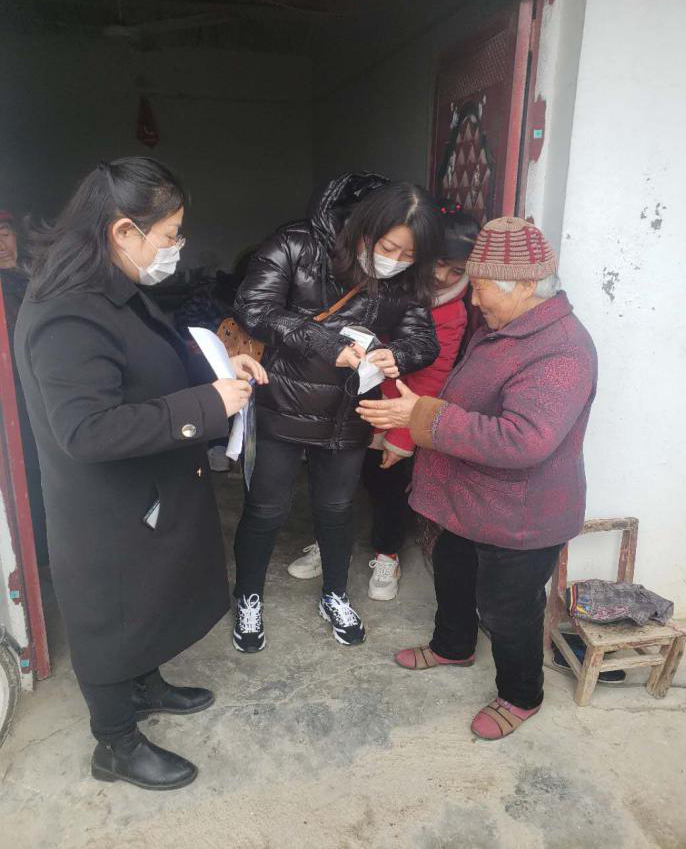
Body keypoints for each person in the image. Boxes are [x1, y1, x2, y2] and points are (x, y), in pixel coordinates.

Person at [14, 157, 266, 790]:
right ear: (124, 231)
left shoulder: (110, 289)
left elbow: (147, 364)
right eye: (170, 234)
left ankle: (144, 685)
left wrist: (220, 368)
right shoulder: (68, 315)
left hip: (141, 488)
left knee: (148, 600)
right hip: (104, 505)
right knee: (112, 616)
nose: (177, 247)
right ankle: (116, 745)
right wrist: (207, 406)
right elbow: (86, 429)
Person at [357, 216, 597, 739]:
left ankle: (521, 695)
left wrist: (420, 417)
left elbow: (523, 440)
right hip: (469, 498)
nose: (472, 297)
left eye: (482, 286)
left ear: (525, 286)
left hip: (520, 513)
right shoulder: (503, 327)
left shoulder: (561, 349)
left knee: (508, 610)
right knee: (453, 573)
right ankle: (453, 647)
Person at [232, 173, 442, 651]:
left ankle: (335, 594)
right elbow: (253, 307)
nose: (395, 261)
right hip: (284, 400)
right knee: (266, 508)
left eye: (409, 255)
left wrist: (398, 354)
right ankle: (248, 597)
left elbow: (423, 338)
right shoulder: (298, 243)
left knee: (336, 509)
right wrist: (325, 343)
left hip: (348, 409)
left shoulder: (404, 277)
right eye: (389, 247)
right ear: (365, 228)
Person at [288, 200, 480, 602]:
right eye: (438, 264)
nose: (442, 277)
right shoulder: (380, 282)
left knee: (388, 488)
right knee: (334, 485)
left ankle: (387, 554)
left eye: (456, 271)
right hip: (347, 402)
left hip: (394, 413)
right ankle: (330, 545)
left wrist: (400, 437)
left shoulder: (453, 313)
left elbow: (432, 376)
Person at [0, 210, 49, 566]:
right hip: (13, 399)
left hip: (45, 390)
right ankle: (36, 554)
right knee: (25, 474)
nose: (1, 245)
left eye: (4, 234)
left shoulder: (36, 279)